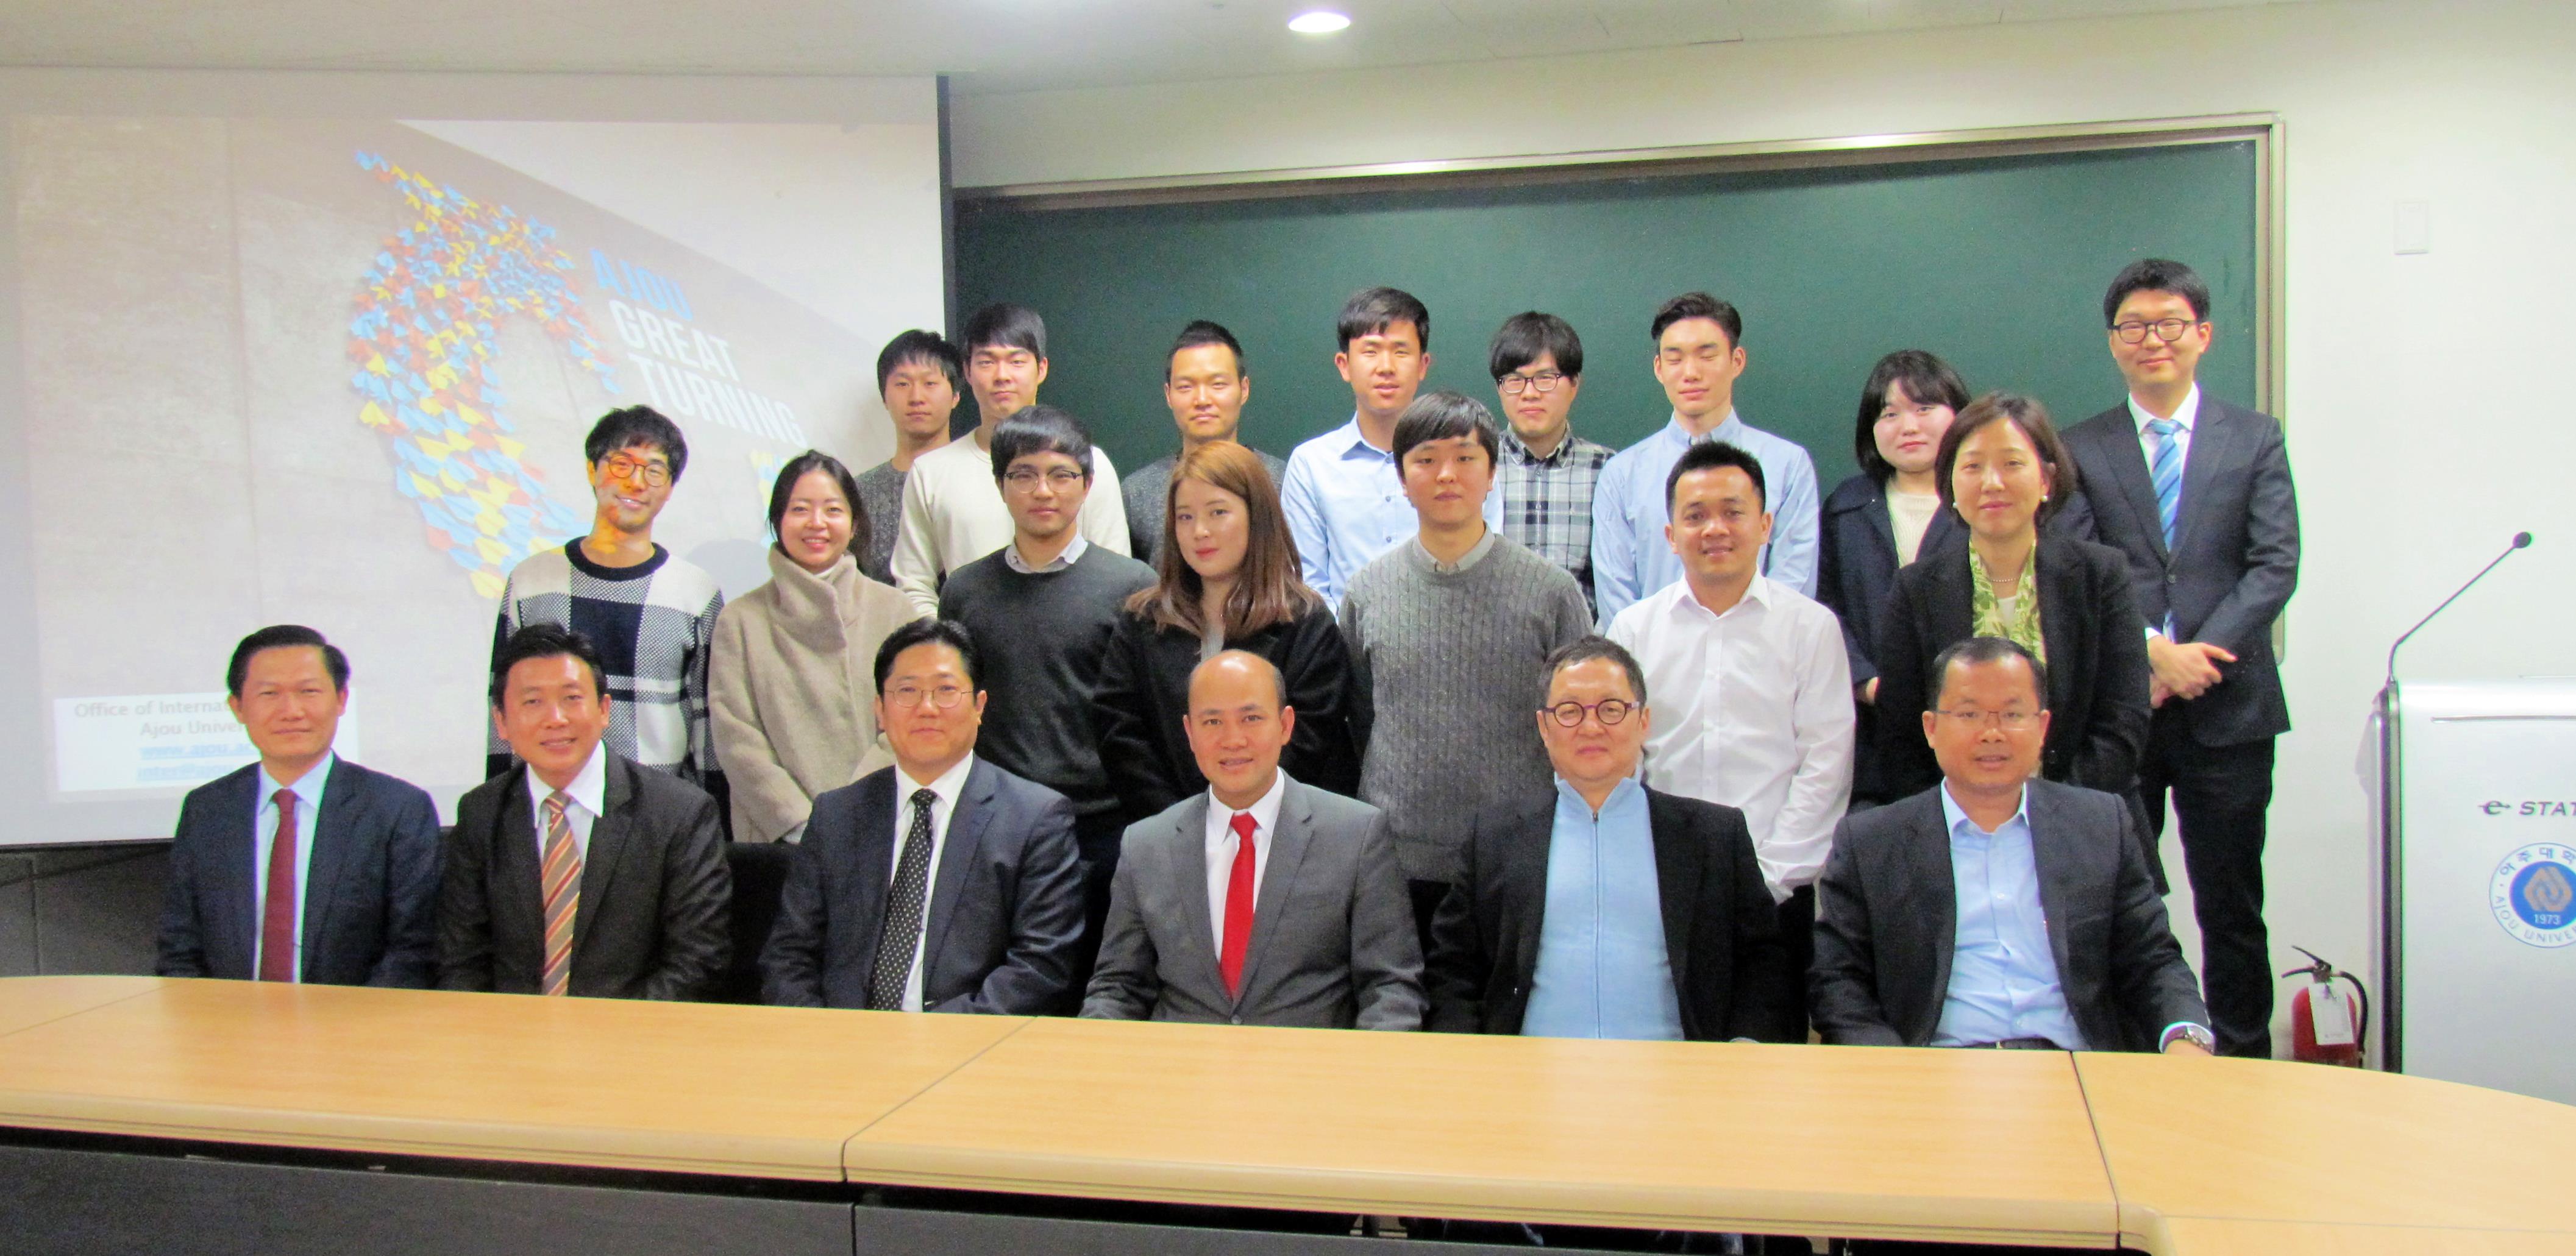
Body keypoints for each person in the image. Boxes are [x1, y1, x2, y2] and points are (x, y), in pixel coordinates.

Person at [2056, 258, 2300, 1059]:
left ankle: (2242, 1061)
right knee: (2121, 902)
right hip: (2125, 711)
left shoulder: (2253, 437)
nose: (2150, 339)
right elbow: (2079, 565)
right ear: (2112, 343)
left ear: (2202, 335)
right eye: (2132, 326)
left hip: (2230, 710)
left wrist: (2199, 657)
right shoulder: (2079, 446)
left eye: (2167, 324)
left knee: (2231, 905)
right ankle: (2135, 1057)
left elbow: (2273, 564)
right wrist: (2153, 653)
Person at [1810, 636, 2213, 1054]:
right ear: (1931, 728)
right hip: (1936, 1068)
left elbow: (2153, 959)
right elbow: (1839, 983)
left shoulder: (2100, 825)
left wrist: (2185, 1037)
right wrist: (1897, 1069)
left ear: (2042, 727)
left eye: (2012, 714)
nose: (1992, 733)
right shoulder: (1871, 842)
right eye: (1969, 714)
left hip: (2075, 1068)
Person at [1425, 637, 1802, 1041]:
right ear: (1544, 727)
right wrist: (1469, 1058)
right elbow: (1454, 969)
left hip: (1679, 1069)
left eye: (1611, 709)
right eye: (1569, 711)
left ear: (1643, 721)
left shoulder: (1715, 837)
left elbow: (1762, 963)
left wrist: (1742, 1052)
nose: (1591, 727)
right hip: (1529, 1069)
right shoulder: (1495, 839)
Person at [1604, 441, 1852, 1016]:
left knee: (1765, 1057)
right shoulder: (1633, 629)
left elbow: (1826, 766)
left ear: (1765, 525)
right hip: (1657, 891)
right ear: (1671, 535)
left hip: (1777, 897)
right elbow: (1620, 761)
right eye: (1695, 515)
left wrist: (1768, 880)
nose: (1714, 528)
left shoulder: (1811, 629)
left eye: (1733, 512)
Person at [1340, 391, 1592, 931]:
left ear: (1493, 472)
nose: (1446, 474)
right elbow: (1362, 716)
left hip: (1518, 855)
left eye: (1465, 457)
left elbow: (1577, 723)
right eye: (1426, 459)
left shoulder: (1551, 592)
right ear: (1401, 479)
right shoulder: (1366, 592)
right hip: (1396, 856)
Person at [935, 405, 1158, 993]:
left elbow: (1146, 716)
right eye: (1024, 474)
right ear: (1000, 485)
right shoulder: (964, 590)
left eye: (1061, 474)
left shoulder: (1134, 586)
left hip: (1102, 828)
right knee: (1001, 985)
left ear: (1087, 484)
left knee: (1099, 989)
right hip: (996, 826)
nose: (1043, 490)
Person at [761, 619, 1086, 1012]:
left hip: (967, 1038)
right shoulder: (837, 815)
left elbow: (1039, 968)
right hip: (841, 1038)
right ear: (880, 710)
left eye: (946, 690)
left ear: (979, 706)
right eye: (907, 691)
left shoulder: (1034, 819)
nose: (927, 708)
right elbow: (789, 955)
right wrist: (826, 1034)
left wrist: (929, 1037)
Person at [1083, 651, 1422, 1028]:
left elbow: (1391, 988)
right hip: (1182, 1061)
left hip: (1308, 1062)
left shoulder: (1357, 834)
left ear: (1286, 725)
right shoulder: (1146, 845)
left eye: (1251, 718)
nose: (1233, 740)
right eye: (1213, 721)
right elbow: (1118, 988)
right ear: (1190, 733)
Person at [1871, 394, 2151, 815]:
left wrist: (2045, 814)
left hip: (2086, 820)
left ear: (2047, 480)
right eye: (1973, 467)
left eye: (2012, 463)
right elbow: (1902, 735)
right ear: (1950, 484)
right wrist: (1968, 819)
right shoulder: (1916, 590)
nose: (1992, 483)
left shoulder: (2100, 575)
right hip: (1954, 829)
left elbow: (2122, 723)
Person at [442, 623, 731, 1000]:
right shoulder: (481, 813)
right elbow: (461, 961)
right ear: (501, 722)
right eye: (533, 702)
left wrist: (602, 1031)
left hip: (634, 1029)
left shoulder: (680, 813)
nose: (556, 719)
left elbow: (697, 962)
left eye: (572, 698)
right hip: (509, 1030)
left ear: (604, 709)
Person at [1095, 439, 1362, 826]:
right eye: (1185, 517)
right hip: (1168, 830)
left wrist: (1235, 818)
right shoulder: (1143, 619)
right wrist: (1184, 824)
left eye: (1218, 512)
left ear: (1257, 517)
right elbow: (1121, 735)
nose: (1200, 531)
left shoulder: (1305, 621)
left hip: (1281, 831)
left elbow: (1308, 740)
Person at [155, 625, 441, 987]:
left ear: (341, 699)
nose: (291, 711)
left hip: (357, 1017)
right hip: (228, 1018)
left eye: (309, 692)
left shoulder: (397, 809)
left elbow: (414, 949)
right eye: (269, 694)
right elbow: (180, 947)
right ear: (237, 707)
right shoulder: (208, 810)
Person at [488, 406, 724, 800]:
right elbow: (503, 706)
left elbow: (708, 723)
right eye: (621, 464)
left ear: (669, 487)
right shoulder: (531, 581)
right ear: (591, 470)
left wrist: (711, 818)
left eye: (654, 470)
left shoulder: (695, 592)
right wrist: (501, 808)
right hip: (554, 805)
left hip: (661, 807)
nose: (636, 482)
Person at [710, 451, 923, 843]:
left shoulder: (895, 611)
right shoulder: (740, 620)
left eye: (833, 510)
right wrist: (799, 824)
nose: (817, 523)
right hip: (776, 837)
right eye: (800, 509)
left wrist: (850, 815)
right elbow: (736, 736)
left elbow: (911, 721)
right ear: (777, 521)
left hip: (878, 828)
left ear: (854, 523)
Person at [1591, 293, 1821, 622]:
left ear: (1737, 361)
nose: (1691, 373)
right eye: (1675, 359)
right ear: (1659, 369)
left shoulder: (1788, 465)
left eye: (1707, 356)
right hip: (1650, 653)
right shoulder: (1621, 475)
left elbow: (1793, 589)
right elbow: (1617, 602)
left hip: (1760, 651)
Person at [890, 303, 1130, 617]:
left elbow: (1115, 578)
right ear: (967, 371)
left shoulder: (1086, 463)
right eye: (987, 362)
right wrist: (949, 642)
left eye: (1017, 361)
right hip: (966, 641)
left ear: (1041, 369)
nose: (1002, 376)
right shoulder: (931, 472)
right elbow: (913, 584)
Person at [1281, 287, 1501, 607]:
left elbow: (1487, 566)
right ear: (1344, 365)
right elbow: (1307, 585)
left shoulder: (1465, 462)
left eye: (1401, 351)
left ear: (1423, 365)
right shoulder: (1311, 464)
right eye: (1370, 351)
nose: (1386, 366)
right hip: (1342, 638)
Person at [1817, 351, 1969, 804]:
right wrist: (1867, 683)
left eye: (1925, 409)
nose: (1909, 426)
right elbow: (1826, 609)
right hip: (1870, 731)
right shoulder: (1847, 506)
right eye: (1890, 414)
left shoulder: (1984, 500)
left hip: (1969, 723)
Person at [1121, 321, 1289, 565]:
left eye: (1218, 384)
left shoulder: (1283, 483)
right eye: (1186, 387)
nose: (1202, 400)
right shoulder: (1137, 493)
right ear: (1168, 395)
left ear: (1244, 389)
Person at [1490, 311, 1615, 614]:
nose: (1530, 394)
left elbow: (1613, 583)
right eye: (1514, 380)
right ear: (1499, 388)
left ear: (1574, 384)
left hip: (1582, 640)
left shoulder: (1608, 471)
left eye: (1545, 379)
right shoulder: (1475, 465)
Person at [852, 330, 963, 584]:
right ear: (884, 398)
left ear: (956, 396)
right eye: (902, 384)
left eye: (930, 383)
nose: (916, 398)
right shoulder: (859, 492)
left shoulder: (983, 477)